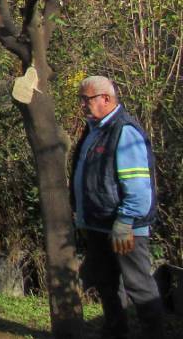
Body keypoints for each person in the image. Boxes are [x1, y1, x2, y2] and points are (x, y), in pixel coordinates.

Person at [71, 76, 163, 338]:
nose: (82, 106)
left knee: (140, 288)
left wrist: (125, 221)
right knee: (108, 286)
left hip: (124, 229)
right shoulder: (95, 130)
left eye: (86, 99)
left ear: (106, 99)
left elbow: (138, 186)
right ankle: (115, 332)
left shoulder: (124, 131)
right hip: (99, 225)